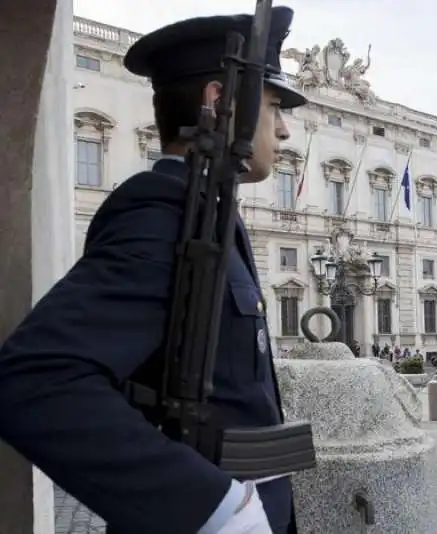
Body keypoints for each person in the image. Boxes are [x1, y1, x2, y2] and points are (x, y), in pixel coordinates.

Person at [0, 7, 307, 534]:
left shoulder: (209, 214)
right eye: (274, 105)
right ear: (220, 99)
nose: (282, 130)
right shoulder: (161, 214)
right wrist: (209, 507)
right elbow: (34, 381)